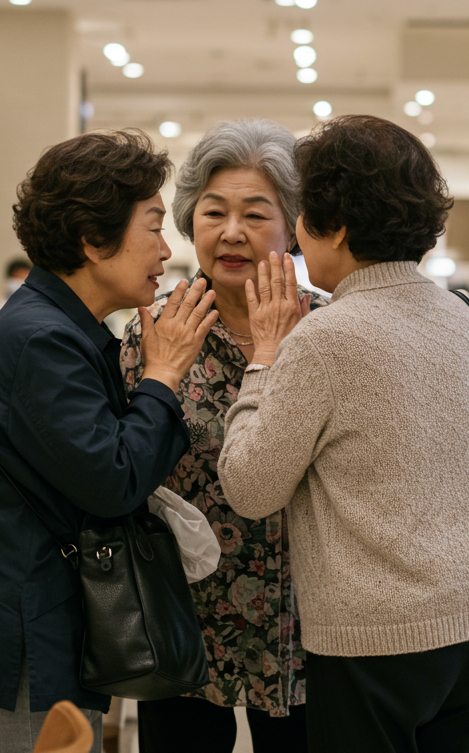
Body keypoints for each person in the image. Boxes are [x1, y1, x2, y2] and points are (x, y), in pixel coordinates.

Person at [0, 129, 218, 753]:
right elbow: (115, 479)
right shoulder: (40, 341)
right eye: (153, 226)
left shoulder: (58, 329)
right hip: (17, 620)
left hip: (31, 610)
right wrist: (165, 375)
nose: (165, 248)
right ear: (94, 240)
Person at [217, 115, 469, 753]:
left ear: (339, 226)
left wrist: (264, 360)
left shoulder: (326, 338)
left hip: (378, 641)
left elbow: (249, 486)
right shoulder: (463, 314)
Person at [119, 119, 321, 753]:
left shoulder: (329, 328)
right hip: (182, 615)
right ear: (190, 222)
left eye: (255, 214)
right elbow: (124, 462)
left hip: (306, 618)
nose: (231, 232)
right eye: (214, 212)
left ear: (292, 227)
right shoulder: (153, 330)